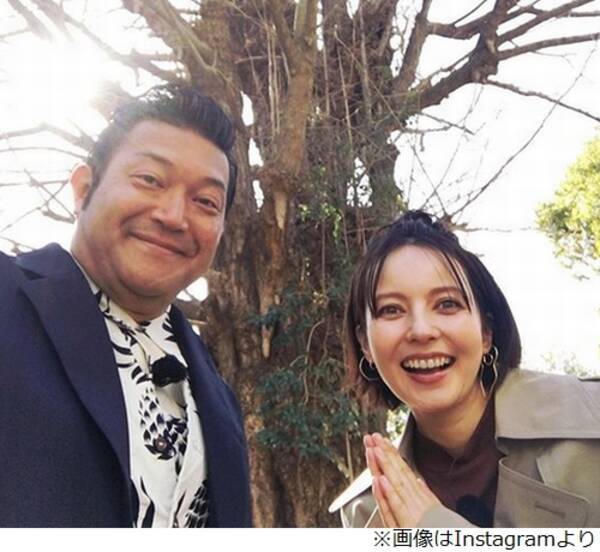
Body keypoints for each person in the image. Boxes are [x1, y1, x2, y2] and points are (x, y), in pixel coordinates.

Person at [0, 84, 252, 527]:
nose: (174, 216)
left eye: (205, 202)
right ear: (84, 189)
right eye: (150, 179)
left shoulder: (219, 395)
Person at [329, 210, 600, 527]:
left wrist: (437, 529)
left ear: (486, 332)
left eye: (447, 304)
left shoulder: (590, 420)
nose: (421, 330)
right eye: (392, 310)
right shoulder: (365, 510)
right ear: (365, 344)